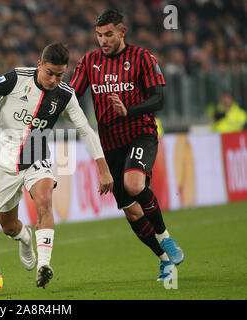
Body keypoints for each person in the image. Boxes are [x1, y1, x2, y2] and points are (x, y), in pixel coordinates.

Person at [0, 43, 114, 288]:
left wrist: (103, 168)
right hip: (2, 157)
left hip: (36, 153)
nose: (53, 79)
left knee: (44, 201)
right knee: (9, 227)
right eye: (49, 72)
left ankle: (44, 265)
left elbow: (85, 129)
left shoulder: (65, 95)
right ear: (40, 65)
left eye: (59, 74)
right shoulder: (17, 78)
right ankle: (25, 239)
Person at [69, 9, 184, 281]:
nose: (103, 40)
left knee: (134, 185)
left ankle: (166, 237)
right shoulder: (89, 62)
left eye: (108, 34)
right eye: (98, 35)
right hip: (109, 145)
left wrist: (128, 110)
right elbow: (71, 96)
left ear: (122, 32)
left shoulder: (142, 58)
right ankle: (164, 259)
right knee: (132, 212)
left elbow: (158, 99)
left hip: (140, 133)